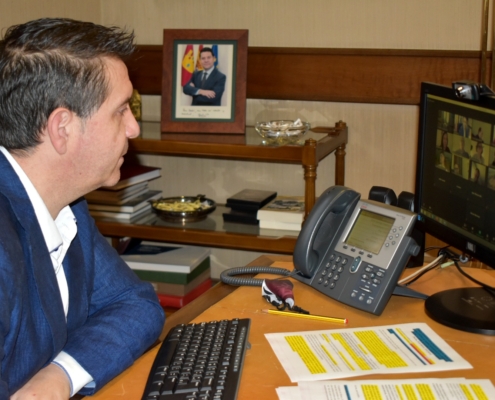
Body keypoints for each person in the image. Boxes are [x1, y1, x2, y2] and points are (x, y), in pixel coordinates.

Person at [0, 18, 165, 399]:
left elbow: (135, 305)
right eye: (120, 110)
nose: (134, 128)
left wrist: (59, 377)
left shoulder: (67, 205)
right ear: (63, 129)